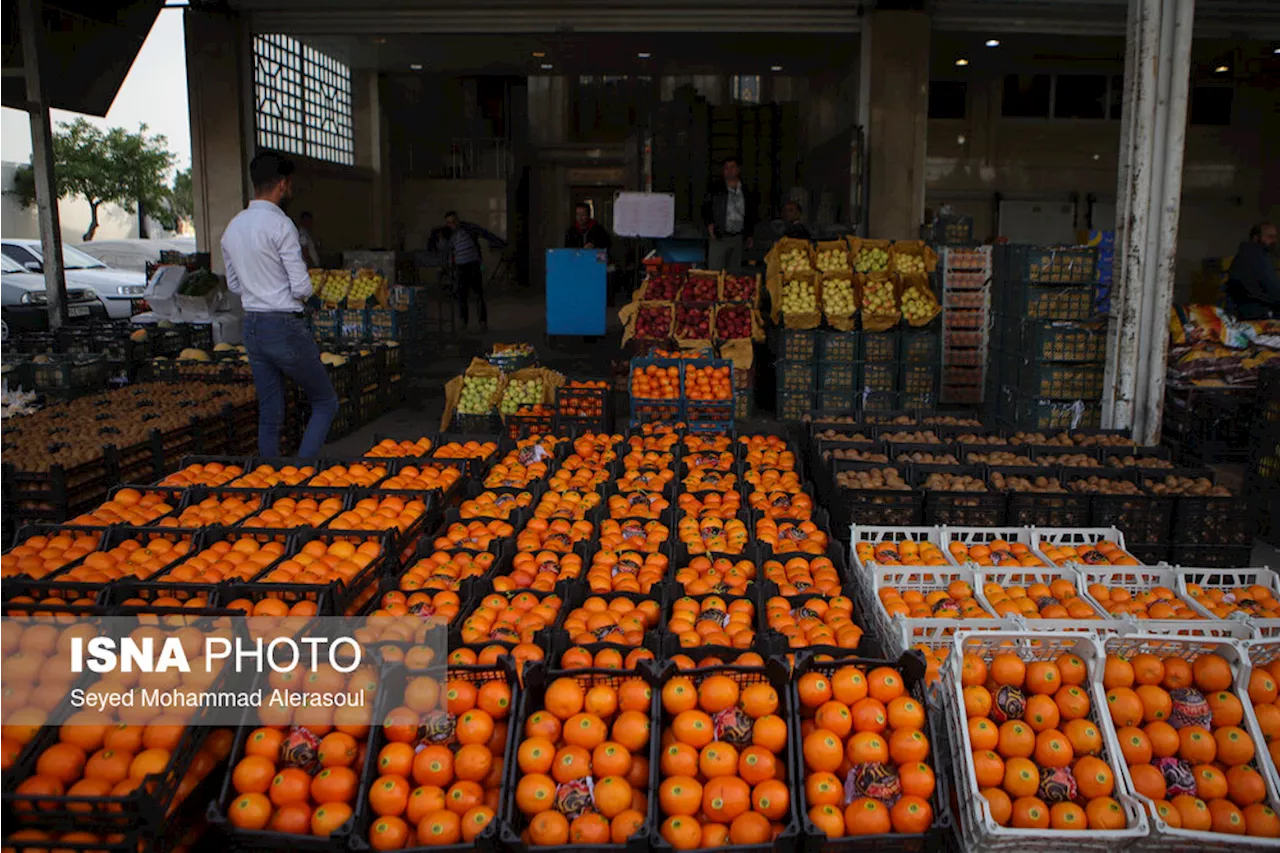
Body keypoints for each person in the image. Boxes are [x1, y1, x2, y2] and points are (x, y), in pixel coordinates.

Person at [221, 151, 337, 458]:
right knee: (325, 401)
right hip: (283, 325)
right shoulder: (281, 225)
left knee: (270, 409)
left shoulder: (232, 227)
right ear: (283, 184)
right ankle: (301, 474)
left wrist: (260, 286)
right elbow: (301, 286)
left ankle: (270, 483)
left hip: (253, 326)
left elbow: (234, 285)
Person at [430, 211, 507, 331]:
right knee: (462, 295)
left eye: (454, 221)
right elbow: (444, 249)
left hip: (473, 265)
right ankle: (463, 321)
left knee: (479, 295)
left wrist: (501, 243)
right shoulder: (449, 234)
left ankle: (482, 322)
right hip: (460, 267)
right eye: (449, 223)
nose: (452, 224)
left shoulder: (468, 228)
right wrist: (440, 240)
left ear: (458, 220)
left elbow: (485, 233)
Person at [702, 157, 757, 272]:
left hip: (738, 237)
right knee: (715, 271)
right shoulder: (715, 189)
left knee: (734, 273)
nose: (729, 171)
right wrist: (709, 223)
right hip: (719, 236)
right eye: (726, 168)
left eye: (732, 167)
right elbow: (705, 207)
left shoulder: (746, 189)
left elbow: (752, 212)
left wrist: (750, 233)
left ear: (738, 169)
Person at [1226, 223, 1280, 320]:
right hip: (1257, 314)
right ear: (1256, 238)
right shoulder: (1256, 257)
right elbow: (1273, 289)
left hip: (1246, 312)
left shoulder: (1245, 254)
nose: (1274, 241)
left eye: (1275, 237)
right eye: (1270, 237)